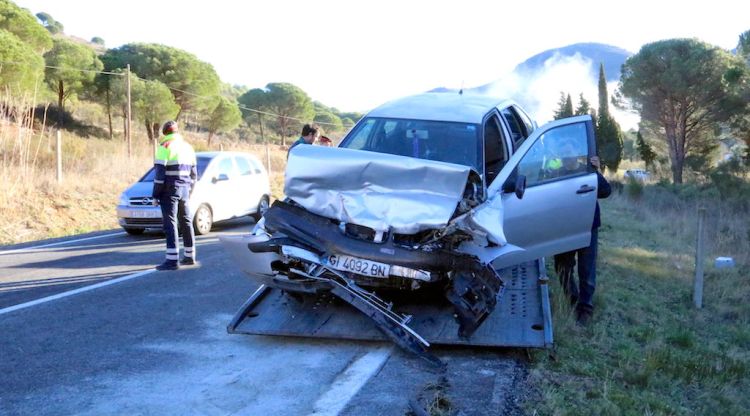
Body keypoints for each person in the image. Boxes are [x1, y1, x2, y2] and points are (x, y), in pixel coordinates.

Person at [553, 153, 611, 326]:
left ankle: (585, 309)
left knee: (587, 270)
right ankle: (573, 301)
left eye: (570, 153)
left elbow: (606, 191)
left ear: (576, 156)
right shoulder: (556, 174)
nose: (567, 157)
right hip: (565, 228)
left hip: (587, 226)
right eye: (564, 153)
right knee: (562, 268)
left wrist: (597, 172)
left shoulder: (588, 171)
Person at [153, 121, 198, 271]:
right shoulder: (188, 147)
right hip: (184, 188)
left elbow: (159, 175)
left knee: (170, 223)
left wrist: (155, 194)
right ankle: (190, 256)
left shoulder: (164, 146)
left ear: (165, 133)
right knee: (186, 221)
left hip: (169, 189)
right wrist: (189, 191)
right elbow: (194, 175)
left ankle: (172, 261)